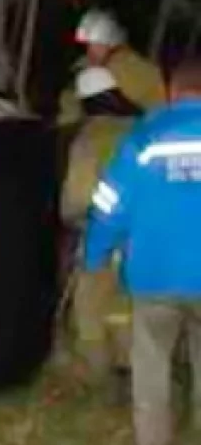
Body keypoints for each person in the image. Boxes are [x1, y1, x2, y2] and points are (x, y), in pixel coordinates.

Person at [83, 57, 201, 445]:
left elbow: (109, 205)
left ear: (172, 92)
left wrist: (95, 255)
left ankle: (152, 444)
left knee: (151, 360)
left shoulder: (144, 138)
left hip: (153, 274)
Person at [60, 66, 144, 397]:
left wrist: (70, 217)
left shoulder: (91, 137)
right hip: (146, 234)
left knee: (90, 303)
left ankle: (96, 377)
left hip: (103, 233)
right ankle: (131, 367)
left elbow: (77, 195)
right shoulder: (144, 129)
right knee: (127, 304)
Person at [57, 9, 165, 127]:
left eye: (95, 45)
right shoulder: (88, 65)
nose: (90, 52)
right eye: (87, 46)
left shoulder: (127, 66)